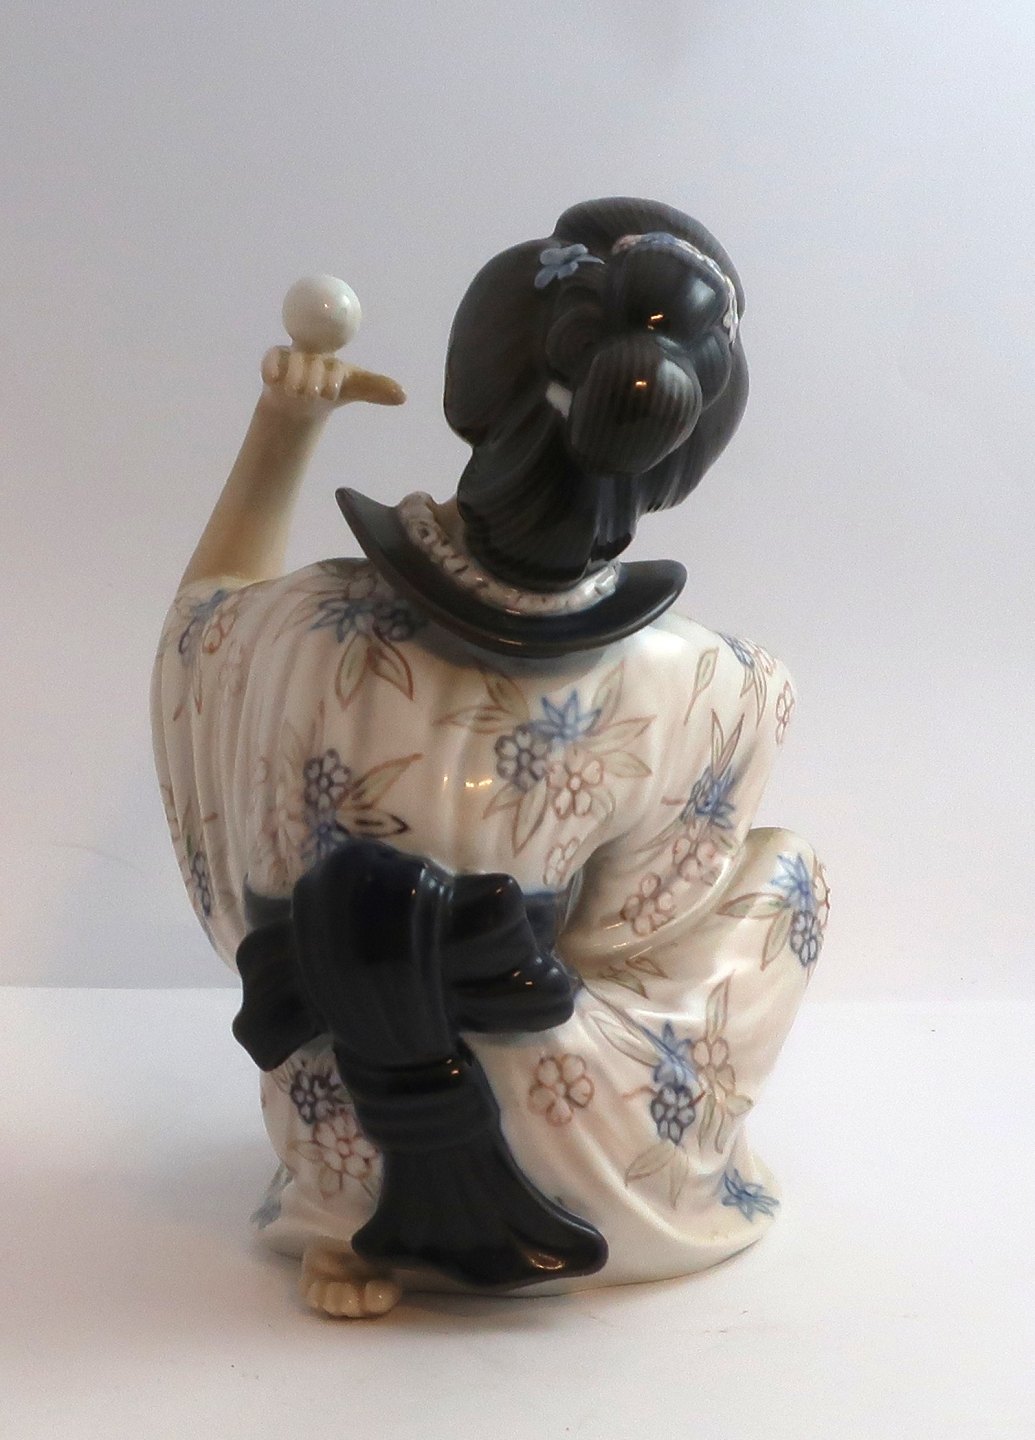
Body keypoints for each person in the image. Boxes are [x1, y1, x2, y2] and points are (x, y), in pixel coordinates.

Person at [152, 198, 828, 1319]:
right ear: (676, 453)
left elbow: (196, 640)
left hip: (342, 1119)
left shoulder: (297, 632)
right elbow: (623, 937)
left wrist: (282, 428)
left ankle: (356, 1224)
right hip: (582, 1133)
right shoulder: (717, 685)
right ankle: (644, 1194)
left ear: (476, 390)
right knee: (787, 869)